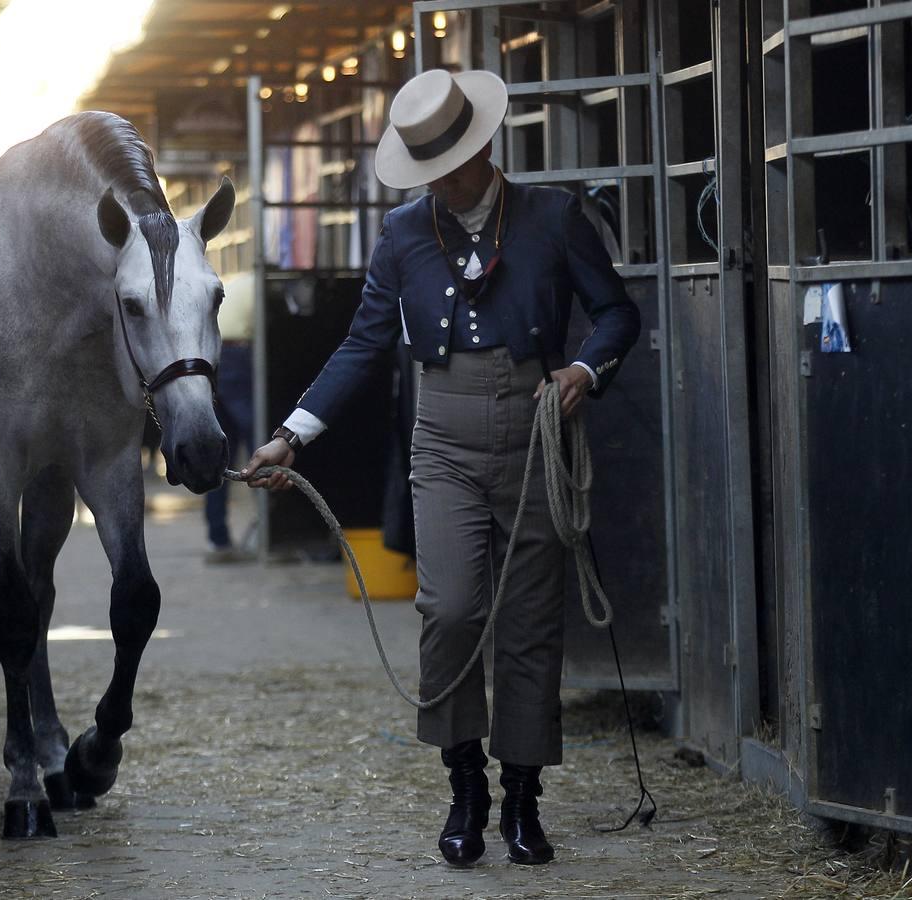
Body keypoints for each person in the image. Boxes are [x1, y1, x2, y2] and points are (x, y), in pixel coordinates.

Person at [241, 68, 640, 867]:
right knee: (451, 609)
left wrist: (583, 372)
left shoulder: (553, 218)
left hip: (533, 433)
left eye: (452, 169)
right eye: (428, 173)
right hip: (443, 439)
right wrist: (294, 433)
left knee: (529, 625)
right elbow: (362, 343)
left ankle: (523, 797)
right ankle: (466, 783)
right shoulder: (402, 234)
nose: (443, 187)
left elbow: (616, 313)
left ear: (484, 147)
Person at [204, 270, 256, 563]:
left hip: (216, 356)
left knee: (220, 455)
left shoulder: (239, 283)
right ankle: (267, 529)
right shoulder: (264, 287)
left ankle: (217, 537)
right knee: (262, 445)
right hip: (240, 357)